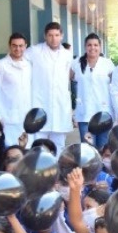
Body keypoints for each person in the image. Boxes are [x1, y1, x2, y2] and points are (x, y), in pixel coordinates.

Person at [23, 22, 74, 152]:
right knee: (39, 147)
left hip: (60, 107)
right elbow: (17, 59)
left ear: (61, 36)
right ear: (45, 36)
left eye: (57, 35)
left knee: (59, 147)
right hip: (40, 106)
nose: (54, 38)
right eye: (50, 35)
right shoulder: (34, 51)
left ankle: (57, 172)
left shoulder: (67, 55)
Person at [71, 33, 115, 149]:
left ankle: (102, 168)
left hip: (104, 114)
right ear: (85, 47)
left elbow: (115, 86)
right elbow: (68, 79)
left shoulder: (107, 64)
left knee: (104, 148)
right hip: (85, 114)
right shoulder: (76, 63)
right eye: (89, 45)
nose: (92, 48)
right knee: (88, 150)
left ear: (100, 47)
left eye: (95, 45)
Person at [0, 33, 33, 146]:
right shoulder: (1, 65)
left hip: (26, 118)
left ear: (25, 46)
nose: (18, 49)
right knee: (10, 154)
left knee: (26, 153)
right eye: (14, 45)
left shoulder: (29, 65)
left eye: (21, 46)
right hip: (7, 119)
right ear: (9, 46)